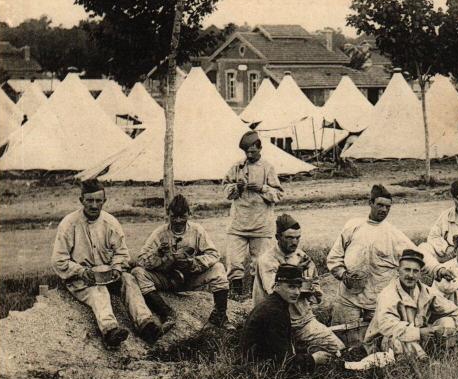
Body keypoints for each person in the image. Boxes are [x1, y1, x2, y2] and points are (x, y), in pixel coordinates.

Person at [51, 179, 160, 347]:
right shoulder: (69, 224)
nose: (94, 205)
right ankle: (110, 330)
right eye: (90, 200)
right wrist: (81, 271)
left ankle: (145, 324)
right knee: (97, 289)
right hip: (81, 278)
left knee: (129, 280)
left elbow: (122, 252)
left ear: (104, 201)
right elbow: (58, 260)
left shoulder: (111, 223)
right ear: (81, 201)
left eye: (98, 201)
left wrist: (117, 267)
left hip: (108, 275)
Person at [132, 194, 233, 332]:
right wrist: (158, 254)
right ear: (168, 214)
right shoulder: (160, 233)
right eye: (174, 216)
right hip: (166, 279)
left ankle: (220, 316)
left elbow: (214, 254)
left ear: (189, 214)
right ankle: (166, 314)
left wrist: (194, 262)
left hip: (190, 278)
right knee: (137, 273)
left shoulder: (197, 231)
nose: (178, 221)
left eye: (182, 216)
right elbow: (141, 260)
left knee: (219, 268)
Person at [255, 213, 344, 356]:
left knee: (337, 349)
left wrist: (314, 292)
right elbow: (275, 290)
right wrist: (298, 270)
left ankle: (307, 349)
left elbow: (315, 288)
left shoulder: (302, 256)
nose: (294, 242)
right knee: (285, 362)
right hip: (275, 322)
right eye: (289, 238)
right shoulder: (267, 260)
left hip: (302, 321)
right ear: (278, 238)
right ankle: (302, 352)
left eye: (297, 238)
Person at [327, 184, 415, 325]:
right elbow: (334, 257)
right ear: (370, 203)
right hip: (349, 297)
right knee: (343, 336)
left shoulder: (393, 234)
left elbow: (417, 256)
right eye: (380, 205)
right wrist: (343, 275)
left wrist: (437, 269)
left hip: (378, 300)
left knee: (377, 340)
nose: (384, 210)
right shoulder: (353, 226)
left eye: (388, 207)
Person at [363, 249, 458, 360]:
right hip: (385, 340)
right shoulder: (388, 294)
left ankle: (450, 356)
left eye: (415, 271)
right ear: (398, 271)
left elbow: (450, 308)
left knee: (449, 322)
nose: (411, 275)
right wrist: (419, 332)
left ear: (420, 273)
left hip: (417, 338)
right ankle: (419, 364)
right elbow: (387, 326)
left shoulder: (424, 291)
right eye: (407, 270)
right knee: (398, 341)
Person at [223, 131, 283, 298]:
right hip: (238, 225)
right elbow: (226, 192)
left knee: (260, 263)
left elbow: (278, 195)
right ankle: (236, 294)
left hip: (261, 226)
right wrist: (237, 188)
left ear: (260, 148)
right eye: (246, 152)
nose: (249, 155)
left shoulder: (267, 167)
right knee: (234, 262)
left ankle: (257, 295)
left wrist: (262, 188)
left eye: (253, 152)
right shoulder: (237, 167)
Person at [241, 264, 331, 373]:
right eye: (291, 287)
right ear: (277, 286)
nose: (297, 292)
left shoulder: (276, 304)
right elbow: (284, 363)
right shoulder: (274, 312)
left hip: (256, 360)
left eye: (299, 287)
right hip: (260, 368)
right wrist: (313, 359)